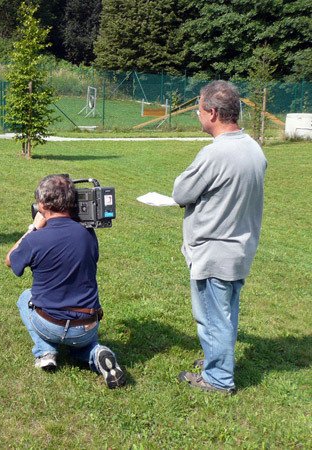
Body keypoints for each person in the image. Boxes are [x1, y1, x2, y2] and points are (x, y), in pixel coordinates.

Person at [173, 80, 267, 394]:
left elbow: (181, 192)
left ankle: (218, 379)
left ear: (212, 113)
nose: (197, 116)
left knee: (212, 316)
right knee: (225, 312)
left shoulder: (215, 153)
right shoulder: (253, 147)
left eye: (198, 109)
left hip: (215, 250)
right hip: (241, 247)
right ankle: (218, 360)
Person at [5, 174, 126, 389]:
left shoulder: (35, 239)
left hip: (48, 324)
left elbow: (10, 261)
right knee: (81, 345)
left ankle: (45, 352)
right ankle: (96, 353)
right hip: (86, 325)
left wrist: (33, 228)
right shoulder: (88, 234)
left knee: (25, 297)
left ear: (41, 205)